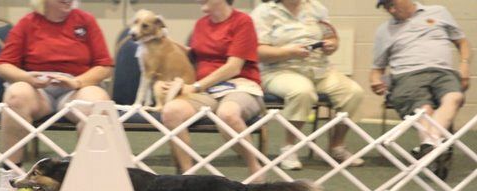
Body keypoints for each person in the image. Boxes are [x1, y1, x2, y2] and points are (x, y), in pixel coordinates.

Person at [0, 0, 113, 191]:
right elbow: (3, 66)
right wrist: (28, 79)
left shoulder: (86, 21)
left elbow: (104, 65)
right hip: (38, 89)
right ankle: (10, 172)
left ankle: (89, 176)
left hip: (76, 87)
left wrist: (77, 82)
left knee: (98, 101)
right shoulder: (27, 23)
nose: (68, 1)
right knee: (15, 96)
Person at [251, 0, 365, 170]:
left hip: (320, 71)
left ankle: (337, 146)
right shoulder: (264, 12)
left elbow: (330, 35)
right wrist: (288, 52)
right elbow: (258, 51)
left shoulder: (316, 8)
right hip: (279, 71)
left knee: (354, 92)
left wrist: (332, 45)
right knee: (302, 91)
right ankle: (290, 148)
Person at [160, 0, 265, 180]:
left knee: (228, 114)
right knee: (171, 112)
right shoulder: (201, 24)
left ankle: (255, 167)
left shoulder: (243, 21)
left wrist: (196, 86)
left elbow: (233, 67)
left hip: (239, 85)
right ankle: (187, 176)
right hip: (208, 90)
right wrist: (165, 42)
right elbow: (195, 56)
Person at [371, 0, 471, 181]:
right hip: (407, 75)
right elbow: (377, 68)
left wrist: (464, 65)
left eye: (392, 4)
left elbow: (462, 42)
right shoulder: (384, 31)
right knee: (424, 110)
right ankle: (436, 144)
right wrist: (375, 81)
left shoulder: (439, 12)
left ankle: (429, 144)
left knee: (455, 96)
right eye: (386, 7)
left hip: (443, 71)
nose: (391, 10)